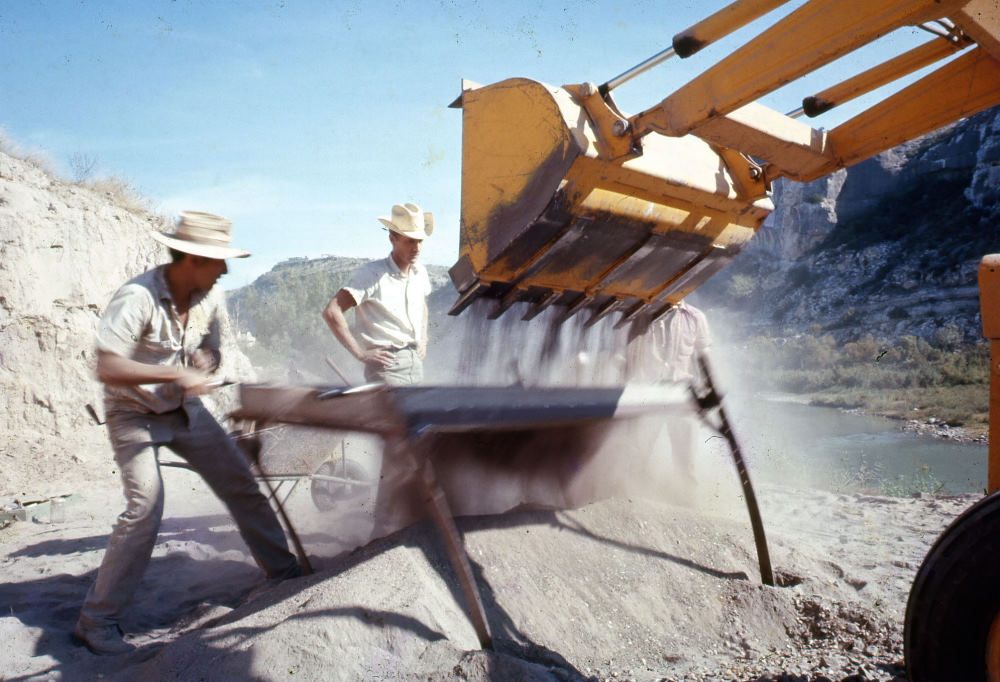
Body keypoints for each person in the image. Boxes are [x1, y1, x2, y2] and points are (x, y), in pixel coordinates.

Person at [74, 211, 302, 655]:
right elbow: (107, 365)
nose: (226, 270)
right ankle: (96, 622)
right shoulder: (136, 297)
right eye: (218, 261)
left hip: (185, 411)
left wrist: (206, 361)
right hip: (133, 413)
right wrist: (176, 374)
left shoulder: (208, 298)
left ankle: (283, 575)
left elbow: (211, 349)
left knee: (241, 485)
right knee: (145, 507)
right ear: (193, 258)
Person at [322, 202, 433, 386]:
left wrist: (423, 338)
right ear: (393, 239)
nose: (417, 248)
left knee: (416, 415)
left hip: (415, 363)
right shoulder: (372, 274)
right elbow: (332, 312)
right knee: (395, 415)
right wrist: (360, 353)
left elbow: (422, 306)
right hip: (387, 366)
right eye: (410, 241)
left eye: (420, 241)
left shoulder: (419, 273)